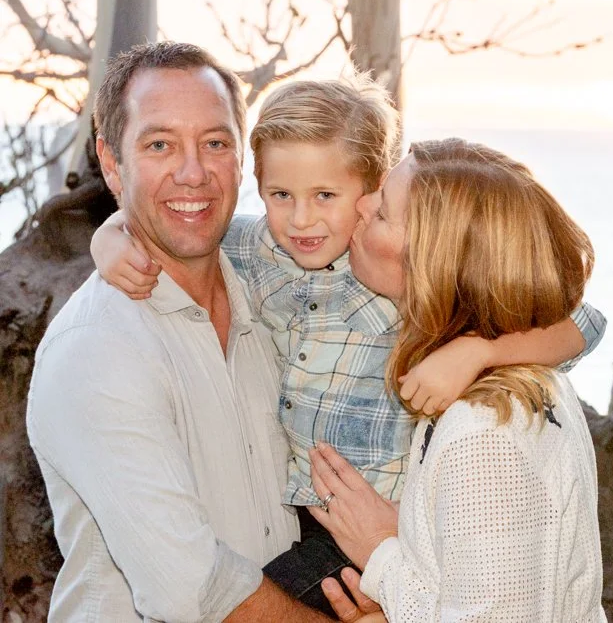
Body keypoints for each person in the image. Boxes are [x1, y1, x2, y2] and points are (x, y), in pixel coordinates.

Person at [89, 71, 607, 616]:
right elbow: (176, 230)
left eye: (330, 196)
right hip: (317, 521)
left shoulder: (422, 316)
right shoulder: (262, 249)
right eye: (280, 195)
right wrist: (109, 240)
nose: (302, 218)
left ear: (373, 192)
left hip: (391, 525)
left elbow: (581, 320)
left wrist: (480, 351)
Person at [27, 42, 375, 622]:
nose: (194, 173)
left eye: (215, 143)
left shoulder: (280, 295)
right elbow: (192, 590)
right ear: (111, 163)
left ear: (243, 161)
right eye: (160, 144)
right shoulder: (97, 349)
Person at [306, 139, 608, 621]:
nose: (360, 205)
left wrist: (380, 549)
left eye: (383, 212)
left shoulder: (484, 432)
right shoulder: (525, 376)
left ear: (432, 261)